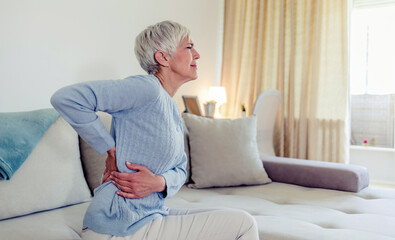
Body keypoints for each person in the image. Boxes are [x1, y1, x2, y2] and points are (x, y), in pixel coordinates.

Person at [51, 20, 259, 240]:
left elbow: (180, 169)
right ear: (163, 57)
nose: (196, 54)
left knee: (230, 216)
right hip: (118, 226)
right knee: (243, 224)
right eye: (189, 47)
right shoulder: (146, 88)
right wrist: (109, 149)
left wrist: (160, 182)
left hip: (149, 215)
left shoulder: (171, 108)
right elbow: (67, 99)